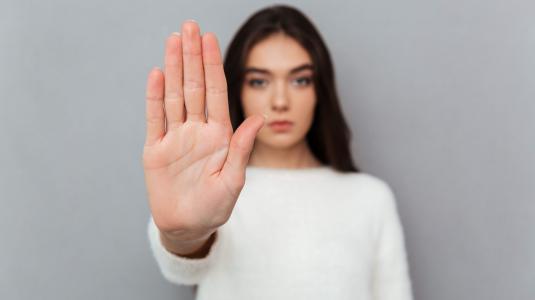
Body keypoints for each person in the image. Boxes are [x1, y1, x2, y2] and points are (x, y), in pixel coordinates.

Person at [143, 4, 413, 300]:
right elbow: (183, 269)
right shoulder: (211, 188)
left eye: (300, 80)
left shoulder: (370, 199)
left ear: (319, 90)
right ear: (239, 90)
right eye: (259, 81)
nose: (281, 101)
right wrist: (182, 235)